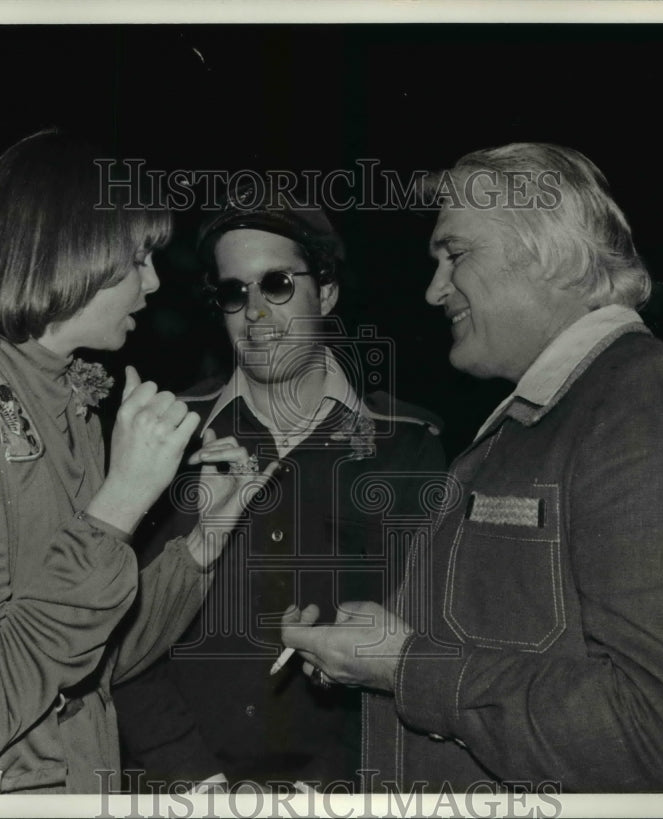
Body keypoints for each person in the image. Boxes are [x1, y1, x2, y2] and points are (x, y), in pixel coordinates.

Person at [281, 143, 663, 793]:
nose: (433, 291)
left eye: (454, 255)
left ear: (555, 255)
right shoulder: (544, 417)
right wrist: (384, 645)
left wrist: (405, 664)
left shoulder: (651, 401)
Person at [0, 130, 274, 794]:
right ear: (70, 251)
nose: (154, 281)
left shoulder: (69, 400)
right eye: (138, 256)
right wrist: (118, 507)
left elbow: (93, 660)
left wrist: (203, 541)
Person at [112, 181, 447, 791]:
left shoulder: (407, 445)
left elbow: (423, 642)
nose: (256, 313)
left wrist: (331, 785)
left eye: (277, 284)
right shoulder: (170, 435)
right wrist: (191, 779)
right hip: (180, 787)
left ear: (328, 292)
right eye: (234, 293)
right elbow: (117, 630)